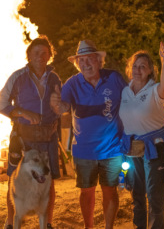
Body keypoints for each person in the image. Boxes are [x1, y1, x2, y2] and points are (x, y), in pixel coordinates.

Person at [50, 39, 127, 229]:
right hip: (84, 151)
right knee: (87, 192)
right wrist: (56, 104)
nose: (86, 64)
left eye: (89, 59)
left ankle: (108, 227)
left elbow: (130, 103)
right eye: (81, 60)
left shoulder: (114, 79)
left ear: (99, 61)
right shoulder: (72, 83)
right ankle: (89, 227)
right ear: (77, 64)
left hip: (112, 148)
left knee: (110, 191)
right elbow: (63, 107)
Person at [0, 35, 61, 229]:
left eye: (44, 53)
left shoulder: (55, 78)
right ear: (29, 55)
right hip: (23, 139)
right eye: (36, 53)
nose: (40, 57)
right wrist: (23, 112)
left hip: (48, 138)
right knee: (14, 180)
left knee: (48, 182)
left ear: (49, 56)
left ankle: (47, 223)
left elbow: (62, 104)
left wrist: (60, 108)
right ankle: (10, 222)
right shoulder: (17, 77)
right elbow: (1, 104)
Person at [119, 42, 164, 228]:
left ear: (151, 70)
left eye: (143, 66)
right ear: (130, 69)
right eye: (135, 66)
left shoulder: (154, 90)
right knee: (137, 195)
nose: (138, 70)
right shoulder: (124, 91)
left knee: (154, 196)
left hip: (154, 148)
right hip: (132, 148)